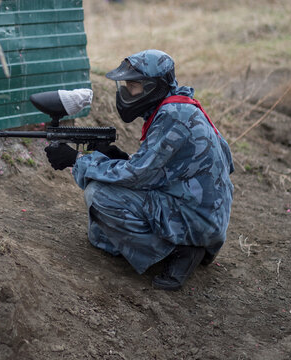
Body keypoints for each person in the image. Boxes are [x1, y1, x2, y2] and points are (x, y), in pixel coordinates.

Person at [44, 49, 234, 291]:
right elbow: (164, 168)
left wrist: (77, 159)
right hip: (200, 212)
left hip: (198, 219)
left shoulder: (174, 116)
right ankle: (182, 245)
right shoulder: (177, 108)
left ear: (153, 86)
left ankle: (181, 251)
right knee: (99, 234)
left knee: (99, 195)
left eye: (133, 85)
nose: (126, 92)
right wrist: (119, 156)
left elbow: (137, 175)